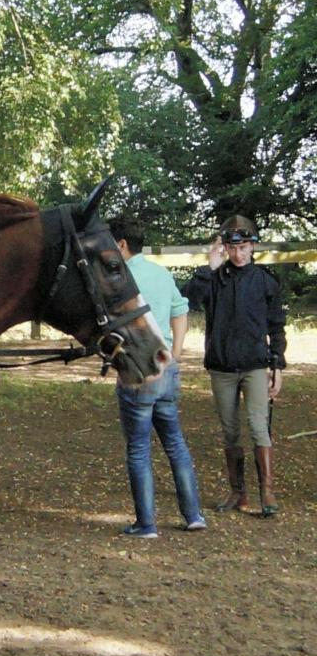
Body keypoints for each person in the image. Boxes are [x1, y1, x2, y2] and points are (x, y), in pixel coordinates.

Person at [107, 216, 206, 538]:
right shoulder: (162, 274)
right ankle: (193, 514)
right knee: (175, 443)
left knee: (138, 448)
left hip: (138, 369)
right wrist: (175, 354)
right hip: (167, 369)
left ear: (121, 245)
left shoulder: (119, 278)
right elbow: (181, 312)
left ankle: (146, 523)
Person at [183, 215, 286, 517]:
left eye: (244, 247)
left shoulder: (265, 280)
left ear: (253, 246)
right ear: (225, 248)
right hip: (222, 368)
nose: (238, 254)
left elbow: (276, 326)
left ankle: (266, 490)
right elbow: (187, 300)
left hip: (255, 365)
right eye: (232, 247)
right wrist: (208, 267)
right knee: (230, 432)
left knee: (258, 427)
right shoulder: (213, 278)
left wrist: (276, 366)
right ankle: (237, 492)